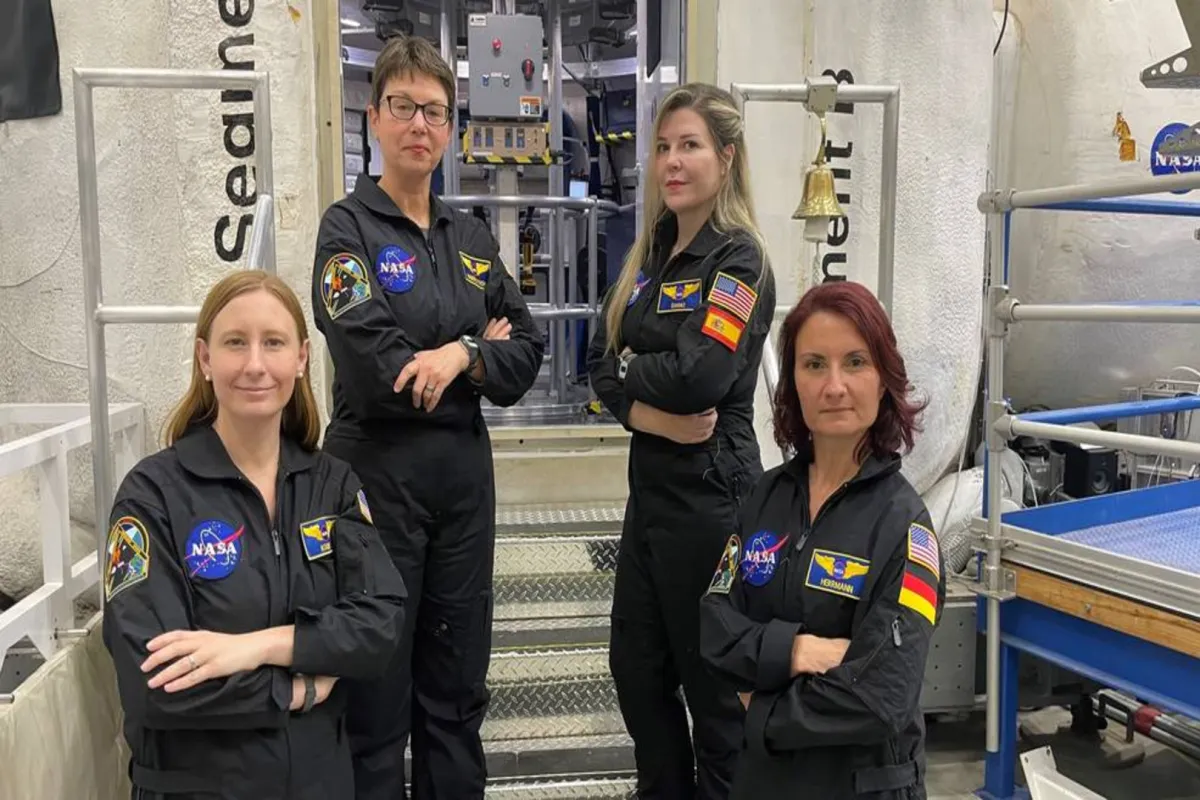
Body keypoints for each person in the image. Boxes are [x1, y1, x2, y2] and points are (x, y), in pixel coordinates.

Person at [310, 35, 544, 800]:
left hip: (462, 489)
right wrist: (477, 349)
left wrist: (460, 355)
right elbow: (376, 370)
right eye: (403, 106)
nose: (419, 123)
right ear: (374, 118)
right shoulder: (346, 231)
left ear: (450, 128)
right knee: (377, 694)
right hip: (376, 486)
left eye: (435, 111)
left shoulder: (470, 237)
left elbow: (526, 353)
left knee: (455, 688)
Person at [102, 270, 408, 800]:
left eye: (274, 343)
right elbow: (154, 681)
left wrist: (254, 647)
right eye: (235, 343)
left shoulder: (332, 486)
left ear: (302, 358)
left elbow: (380, 625)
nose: (255, 365)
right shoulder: (152, 496)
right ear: (205, 359)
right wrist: (295, 689)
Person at [586, 82, 777, 799]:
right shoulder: (654, 253)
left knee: (714, 692)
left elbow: (703, 376)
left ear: (725, 158)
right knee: (637, 673)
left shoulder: (739, 260)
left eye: (689, 145)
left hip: (710, 500)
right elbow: (597, 361)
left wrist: (632, 370)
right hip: (650, 498)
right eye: (663, 146)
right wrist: (647, 415)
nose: (671, 161)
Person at [698, 281, 945, 799]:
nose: (834, 386)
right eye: (814, 364)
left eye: (855, 362)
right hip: (765, 784)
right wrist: (794, 650)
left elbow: (883, 695)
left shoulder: (907, 529)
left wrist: (763, 712)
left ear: (884, 380)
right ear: (793, 383)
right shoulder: (765, 498)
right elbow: (715, 627)